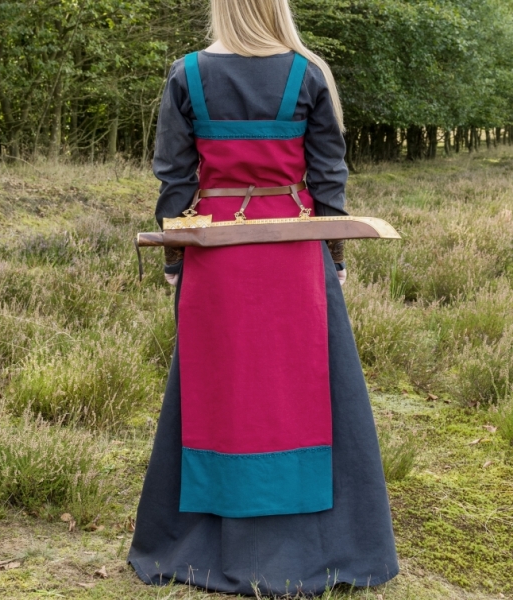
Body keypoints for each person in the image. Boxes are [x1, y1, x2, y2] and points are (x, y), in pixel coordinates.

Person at [128, 0, 399, 594]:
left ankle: (201, 543)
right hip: (294, 243)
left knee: (218, 387)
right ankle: (323, 546)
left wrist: (176, 260)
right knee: (301, 387)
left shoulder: (188, 74)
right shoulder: (310, 73)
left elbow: (174, 177)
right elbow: (329, 175)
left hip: (215, 245)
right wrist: (335, 256)